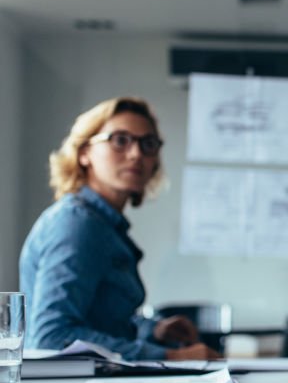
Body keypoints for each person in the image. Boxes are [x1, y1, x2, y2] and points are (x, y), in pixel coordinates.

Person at [20, 97, 220, 360]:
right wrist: (169, 357)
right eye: (119, 140)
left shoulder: (104, 225)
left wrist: (154, 330)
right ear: (84, 153)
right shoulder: (77, 223)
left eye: (148, 144)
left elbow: (100, 323)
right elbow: (52, 338)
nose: (136, 154)